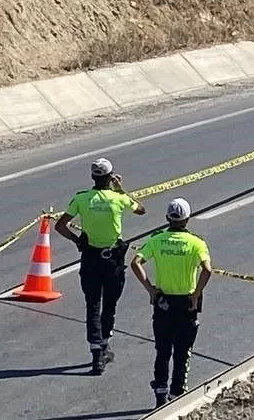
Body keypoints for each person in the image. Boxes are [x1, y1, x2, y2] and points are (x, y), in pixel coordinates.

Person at [54, 158, 146, 375]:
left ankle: (96, 351)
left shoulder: (82, 198)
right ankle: (104, 344)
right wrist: (121, 189)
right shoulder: (117, 199)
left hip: (91, 258)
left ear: (93, 177)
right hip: (112, 259)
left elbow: (60, 225)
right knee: (110, 304)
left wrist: (77, 240)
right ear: (111, 176)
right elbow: (141, 209)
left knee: (92, 304)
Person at [131, 198, 213, 409]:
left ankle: (160, 392)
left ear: (167, 218)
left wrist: (150, 289)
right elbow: (207, 270)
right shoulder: (197, 242)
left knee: (162, 350)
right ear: (187, 219)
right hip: (187, 303)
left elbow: (135, 262)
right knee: (182, 352)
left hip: (163, 302)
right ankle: (177, 393)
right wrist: (196, 294)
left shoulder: (157, 240)